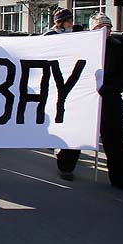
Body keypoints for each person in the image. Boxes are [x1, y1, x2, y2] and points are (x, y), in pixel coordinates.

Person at [88, 14, 123, 191]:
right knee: (77, 133)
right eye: (99, 27)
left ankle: (121, 178)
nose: (104, 31)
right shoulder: (85, 48)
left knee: (115, 140)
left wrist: (109, 87)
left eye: (107, 27)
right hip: (87, 100)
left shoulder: (119, 49)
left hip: (110, 100)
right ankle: (66, 165)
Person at [44, 9, 82, 180]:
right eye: (68, 21)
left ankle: (67, 163)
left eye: (71, 20)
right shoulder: (49, 36)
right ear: (60, 22)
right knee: (55, 118)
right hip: (53, 84)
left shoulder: (79, 36)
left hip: (73, 84)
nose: (71, 23)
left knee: (73, 122)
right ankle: (56, 143)